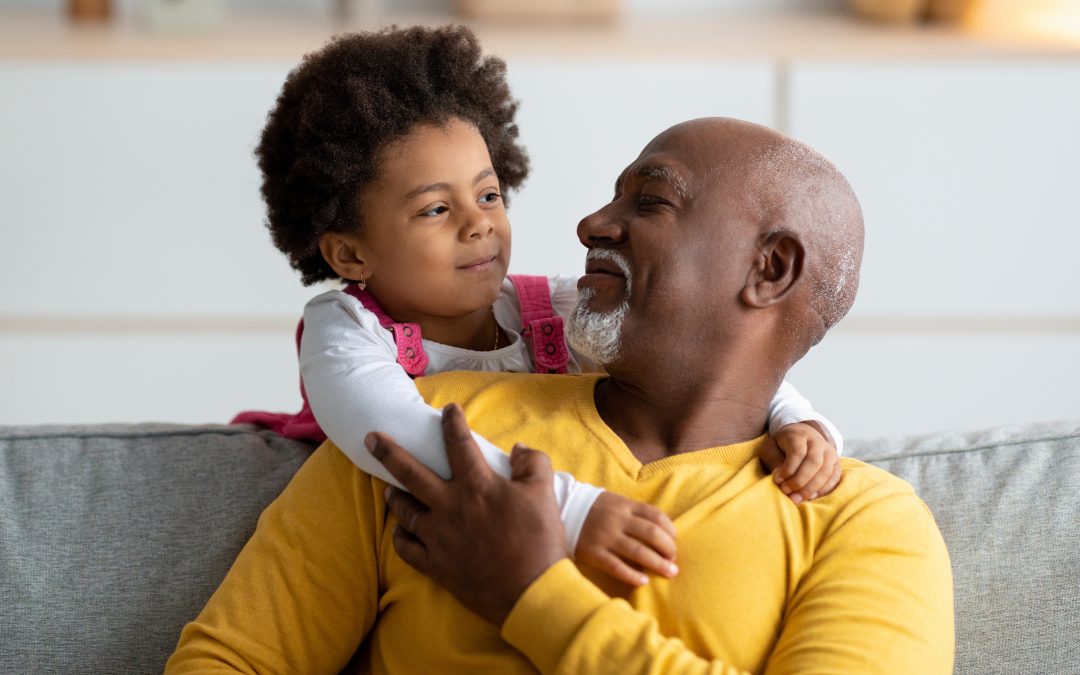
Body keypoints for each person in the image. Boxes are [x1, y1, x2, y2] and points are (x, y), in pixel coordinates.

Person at [167, 117, 954, 673]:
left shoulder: (862, 520)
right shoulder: (430, 428)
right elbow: (233, 660)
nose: (589, 223)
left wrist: (530, 592)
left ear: (771, 270)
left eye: (649, 202)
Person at [230, 25, 845, 586]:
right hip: (368, 542)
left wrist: (795, 420)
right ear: (349, 254)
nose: (480, 226)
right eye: (436, 209)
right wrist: (569, 511)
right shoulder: (344, 331)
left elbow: (695, 352)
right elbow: (397, 433)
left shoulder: (544, 308)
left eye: (489, 194)